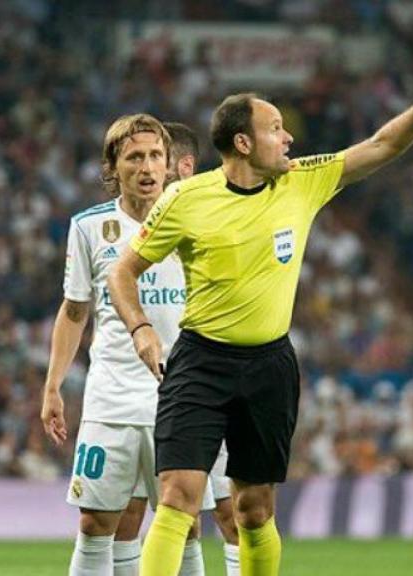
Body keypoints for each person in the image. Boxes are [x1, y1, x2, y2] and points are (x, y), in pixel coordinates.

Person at [108, 46, 413, 576]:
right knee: (178, 496)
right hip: (200, 364)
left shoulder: (301, 180)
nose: (288, 138)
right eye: (275, 128)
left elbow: (381, 145)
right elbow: (123, 271)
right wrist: (141, 327)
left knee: (254, 509)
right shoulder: (184, 199)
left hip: (269, 366)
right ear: (243, 142)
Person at [41, 114, 212, 576]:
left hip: (184, 397)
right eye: (134, 156)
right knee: (97, 521)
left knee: (185, 522)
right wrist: (53, 385)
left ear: (170, 162)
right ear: (113, 166)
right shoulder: (89, 227)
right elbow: (75, 310)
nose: (147, 166)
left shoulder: (198, 220)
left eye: (156, 155)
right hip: (111, 396)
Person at [163, 121, 242, 576]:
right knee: (178, 515)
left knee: (234, 513)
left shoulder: (224, 215)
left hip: (217, 381)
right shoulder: (139, 231)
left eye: (159, 156)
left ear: (185, 166)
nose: (150, 168)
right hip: (163, 392)